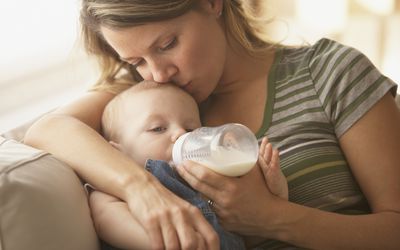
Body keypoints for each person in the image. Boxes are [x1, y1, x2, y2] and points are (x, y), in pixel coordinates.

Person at [24, 0, 400, 249]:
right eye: (136, 61)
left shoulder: (329, 73)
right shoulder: (146, 101)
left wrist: (272, 219)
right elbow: (47, 129)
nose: (158, 73)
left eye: (167, 43)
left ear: (211, 3)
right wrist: (141, 190)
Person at [90, 80, 287, 249]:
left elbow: (250, 235)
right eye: (158, 128)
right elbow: (103, 218)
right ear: (118, 153)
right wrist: (169, 241)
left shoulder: (210, 182)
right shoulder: (119, 188)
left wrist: (275, 194)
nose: (181, 134)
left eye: (191, 128)